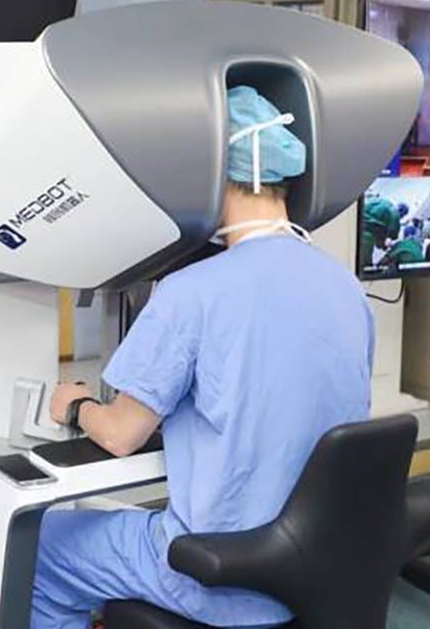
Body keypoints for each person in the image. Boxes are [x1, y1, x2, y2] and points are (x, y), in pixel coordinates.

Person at [30, 85, 375, 629]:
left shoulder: (192, 291)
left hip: (217, 577)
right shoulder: (345, 287)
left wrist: (74, 405)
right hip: (322, 567)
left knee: (41, 548)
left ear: (209, 173)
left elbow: (121, 435)